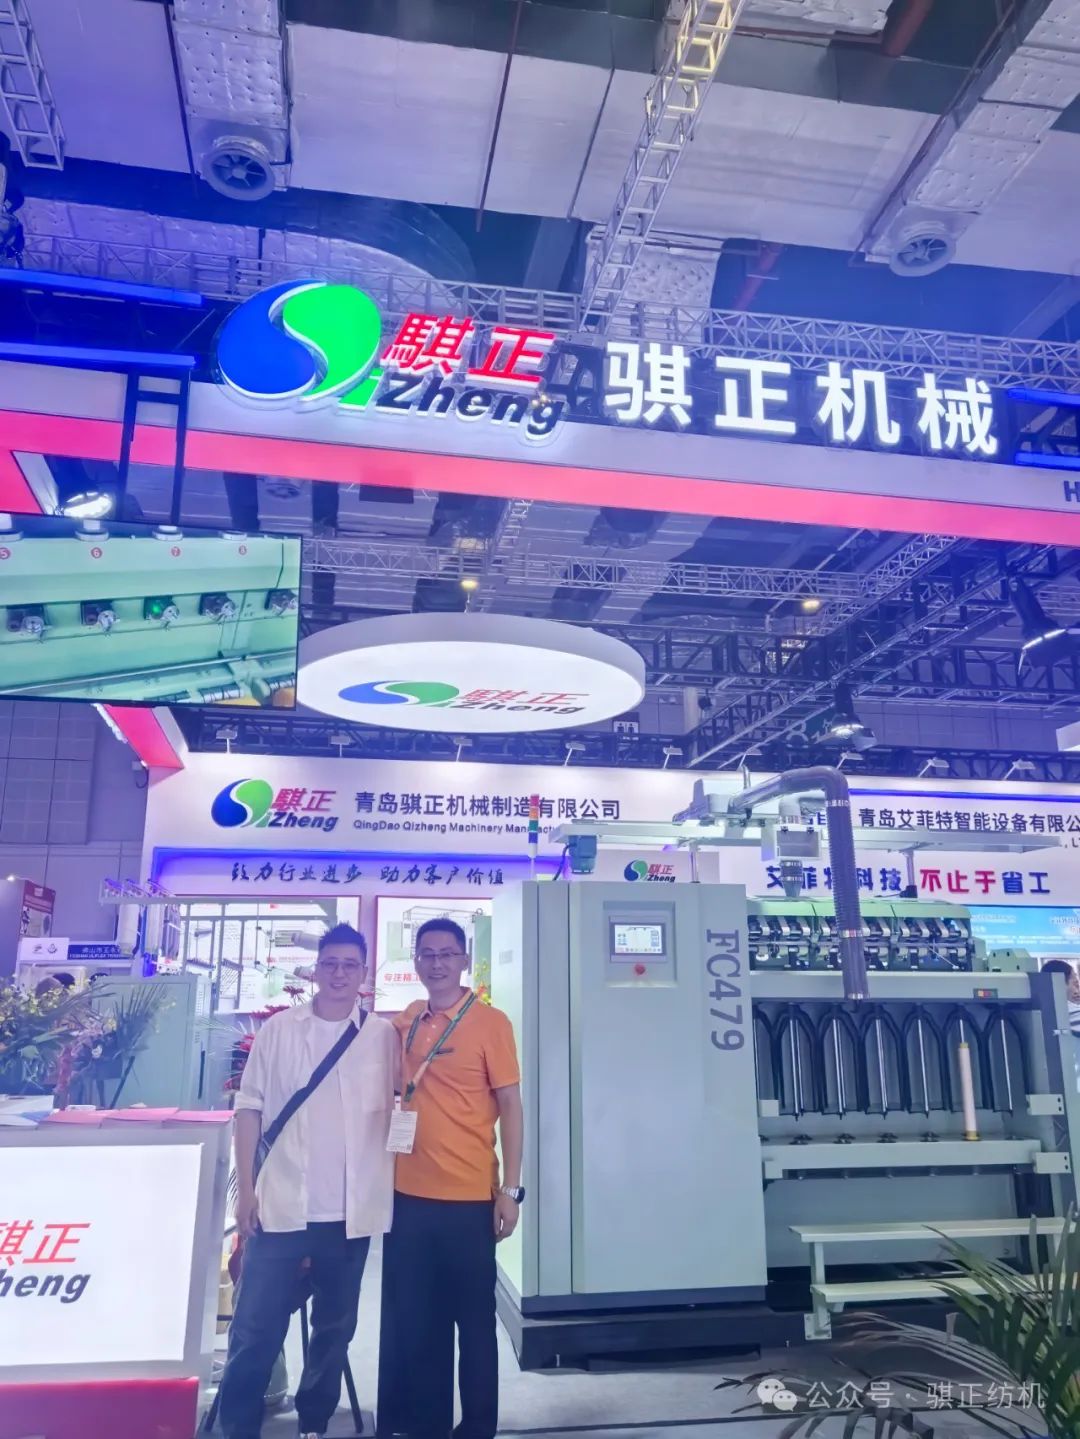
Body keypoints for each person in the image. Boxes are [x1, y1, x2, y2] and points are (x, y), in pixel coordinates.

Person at [218, 923, 396, 1439]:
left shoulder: (382, 1037)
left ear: (364, 974)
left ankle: (314, 1423)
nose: (339, 974)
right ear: (315, 970)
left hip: (348, 1213)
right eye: (330, 964)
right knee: (255, 1329)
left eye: (350, 965)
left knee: (334, 1331)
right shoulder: (279, 1031)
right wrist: (246, 1192)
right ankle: (237, 1427)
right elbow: (248, 1110)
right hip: (279, 1206)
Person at [377, 918, 524, 1439]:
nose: (436, 963)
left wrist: (511, 1190)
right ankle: (427, 1424)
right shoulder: (407, 1021)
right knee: (419, 1321)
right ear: (415, 961)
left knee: (474, 1324)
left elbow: (511, 1106)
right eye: (427, 953)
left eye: (446, 954)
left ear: (464, 960)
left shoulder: (491, 1023)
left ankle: (478, 1427)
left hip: (468, 1198)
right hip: (407, 1197)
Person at [1042, 959, 1080, 1082]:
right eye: (1075, 983)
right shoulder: (1063, 1009)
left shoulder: (1043, 1008)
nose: (1077, 990)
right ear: (1059, 983)